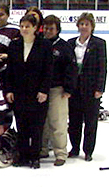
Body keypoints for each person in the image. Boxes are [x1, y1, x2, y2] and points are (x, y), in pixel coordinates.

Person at [5, 15, 53, 169]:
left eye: (27, 26)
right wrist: (9, 89)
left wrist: (44, 90)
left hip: (37, 94)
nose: (24, 29)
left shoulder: (44, 45)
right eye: (22, 26)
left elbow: (48, 70)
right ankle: (23, 155)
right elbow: (10, 70)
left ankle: (35, 156)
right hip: (19, 93)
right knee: (22, 125)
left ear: (35, 28)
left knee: (36, 127)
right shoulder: (14, 45)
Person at [67, 12, 107, 162]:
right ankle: (75, 148)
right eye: (81, 24)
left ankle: (88, 150)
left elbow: (103, 67)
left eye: (87, 24)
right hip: (74, 89)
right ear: (78, 26)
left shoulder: (99, 44)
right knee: (74, 121)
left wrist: (100, 88)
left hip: (91, 89)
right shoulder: (71, 43)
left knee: (90, 122)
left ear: (92, 27)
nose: (84, 27)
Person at [39, 15, 78, 166]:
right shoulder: (39, 44)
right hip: (41, 89)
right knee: (42, 122)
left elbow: (72, 69)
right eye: (46, 28)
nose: (48, 31)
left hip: (58, 89)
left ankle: (60, 152)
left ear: (58, 30)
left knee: (58, 122)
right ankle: (42, 149)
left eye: (51, 29)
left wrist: (68, 88)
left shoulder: (64, 47)